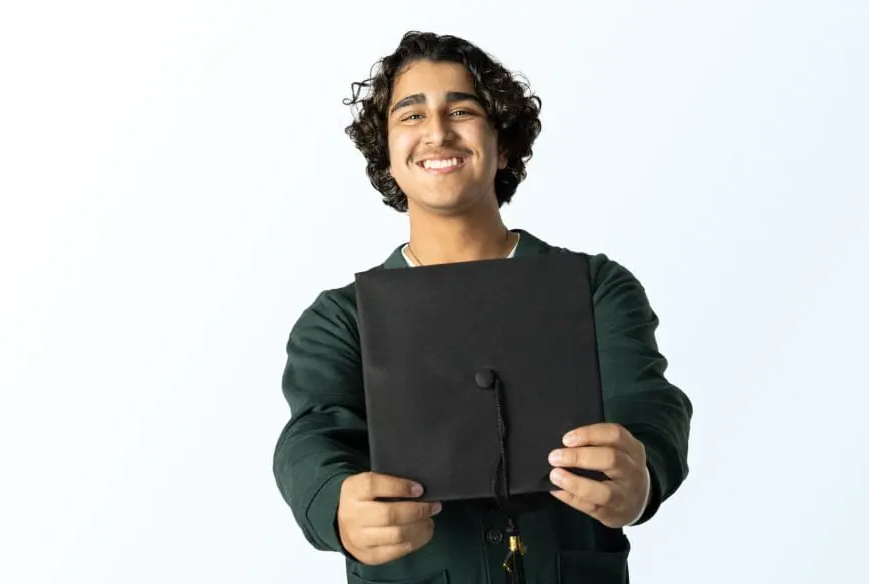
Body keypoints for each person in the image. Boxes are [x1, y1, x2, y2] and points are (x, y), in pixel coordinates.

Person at [272, 31, 692, 584]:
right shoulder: (339, 320)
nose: (438, 132)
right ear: (387, 156)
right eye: (411, 116)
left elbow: (647, 405)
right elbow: (313, 435)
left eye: (462, 110)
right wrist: (333, 503)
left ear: (504, 142)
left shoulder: (595, 288)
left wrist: (644, 473)